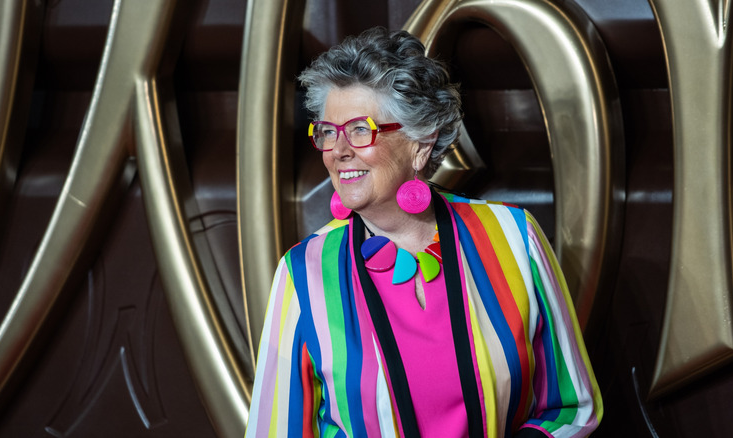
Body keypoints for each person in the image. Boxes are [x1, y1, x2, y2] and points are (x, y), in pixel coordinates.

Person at [245, 27, 602, 438]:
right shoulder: (303, 271)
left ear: (421, 142)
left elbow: (571, 406)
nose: (339, 150)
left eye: (360, 129)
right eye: (328, 131)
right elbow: (276, 430)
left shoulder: (513, 236)